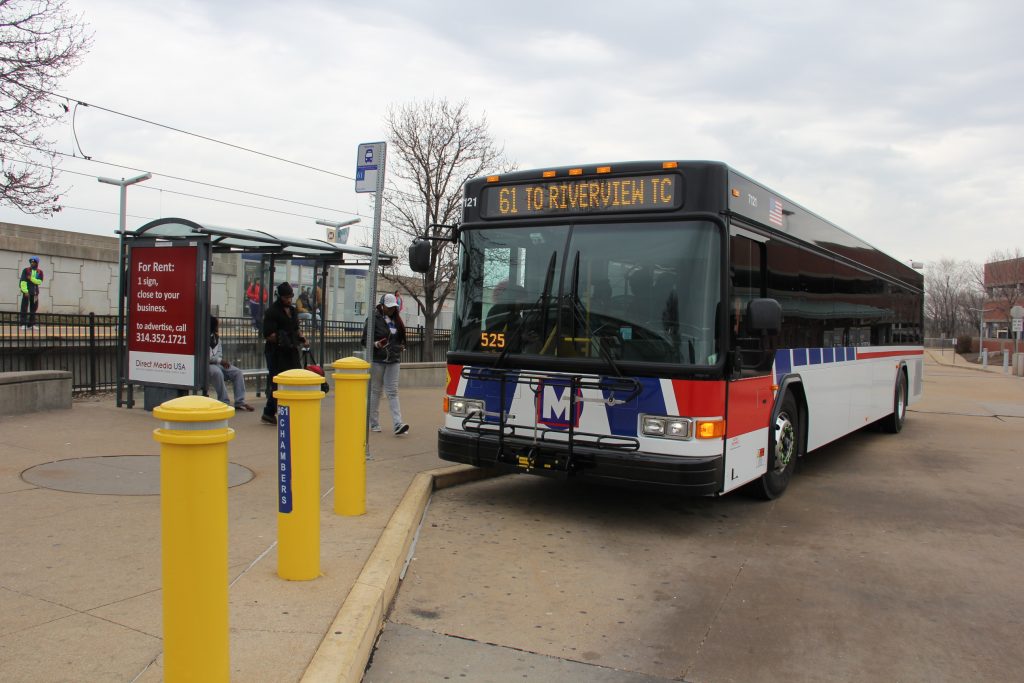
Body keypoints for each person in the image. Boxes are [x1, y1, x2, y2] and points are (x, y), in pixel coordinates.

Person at [362, 292, 409, 435]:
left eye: (393, 307)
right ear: (381, 306)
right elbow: (364, 341)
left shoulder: (396, 320)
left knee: (392, 391)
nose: (391, 309)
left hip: (393, 359)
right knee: (376, 391)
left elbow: (398, 339)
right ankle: (374, 422)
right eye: (388, 307)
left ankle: (397, 423)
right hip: (378, 360)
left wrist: (400, 346)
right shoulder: (373, 319)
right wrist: (376, 344)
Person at [260, 282, 306, 425]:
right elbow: (268, 334)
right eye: (286, 297)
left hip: (291, 350)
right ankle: (269, 412)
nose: (289, 300)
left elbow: (296, 328)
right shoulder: (272, 312)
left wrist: (302, 338)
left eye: (290, 297)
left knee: (295, 379)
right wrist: (283, 338)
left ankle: (293, 410)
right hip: (276, 352)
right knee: (278, 383)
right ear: (280, 297)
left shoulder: (292, 311)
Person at [208, 316, 254, 411]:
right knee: (217, 373)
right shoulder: (203, 338)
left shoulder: (216, 338)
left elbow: (219, 353)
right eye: (217, 325)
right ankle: (224, 401)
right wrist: (219, 361)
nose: (218, 326)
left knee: (237, 372)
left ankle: (240, 401)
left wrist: (219, 361)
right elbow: (206, 357)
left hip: (217, 363)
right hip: (207, 365)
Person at [19, 256, 44, 330]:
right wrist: (25, 291)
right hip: (27, 292)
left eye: (33, 262)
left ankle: (31, 324)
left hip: (35, 293)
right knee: (24, 307)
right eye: (31, 262)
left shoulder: (40, 272)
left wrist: (31, 278)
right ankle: (23, 324)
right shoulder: (26, 270)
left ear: (37, 263)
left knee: (34, 308)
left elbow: (39, 281)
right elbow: (23, 281)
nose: (32, 263)